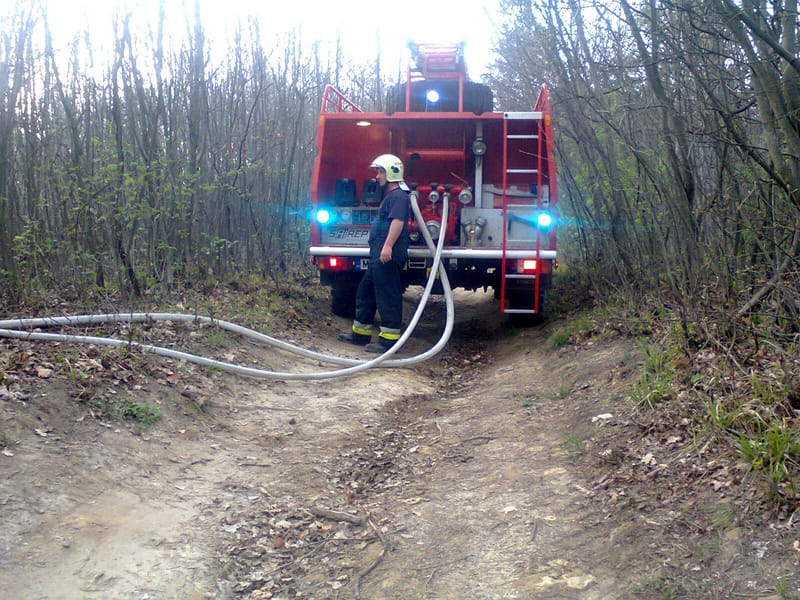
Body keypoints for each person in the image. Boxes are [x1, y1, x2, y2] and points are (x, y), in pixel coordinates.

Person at [338, 154, 411, 353]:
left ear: (391, 173)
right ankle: (360, 334)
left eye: (380, 171)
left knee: (387, 295)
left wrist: (387, 246)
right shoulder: (391, 196)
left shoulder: (398, 197)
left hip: (387, 253)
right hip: (379, 253)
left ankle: (389, 341)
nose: (377, 176)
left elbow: (397, 222)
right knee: (366, 291)